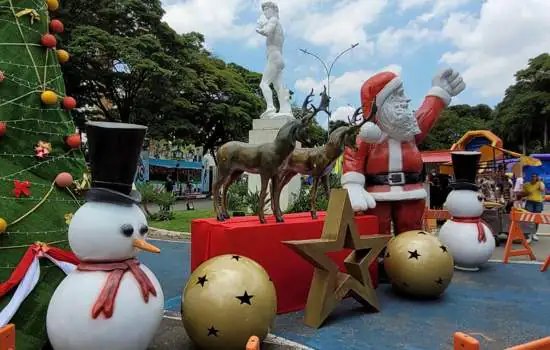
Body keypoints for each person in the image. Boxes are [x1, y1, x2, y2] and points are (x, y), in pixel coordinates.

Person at [341, 68, 466, 237]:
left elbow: (425, 116)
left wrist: (439, 93)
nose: (405, 100)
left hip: (411, 192)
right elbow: (353, 155)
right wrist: (353, 183)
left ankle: (409, 262)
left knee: (411, 232)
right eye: (398, 95)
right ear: (380, 104)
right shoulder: (367, 135)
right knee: (377, 233)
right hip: (378, 196)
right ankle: (377, 259)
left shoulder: (409, 131)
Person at [256, 1, 291, 117]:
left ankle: (270, 107)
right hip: (279, 58)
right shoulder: (279, 25)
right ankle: (286, 110)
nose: (265, 12)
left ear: (274, 10)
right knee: (278, 87)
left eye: (267, 9)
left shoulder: (273, 20)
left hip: (274, 57)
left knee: (264, 83)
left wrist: (259, 28)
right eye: (264, 10)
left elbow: (267, 31)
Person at [523, 173, 546, 242]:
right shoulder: (527, 184)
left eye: (535, 177)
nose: (533, 178)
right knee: (528, 219)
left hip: (538, 203)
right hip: (529, 202)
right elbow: (524, 193)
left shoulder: (539, 183)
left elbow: (542, 189)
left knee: (536, 219)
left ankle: (534, 234)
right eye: (532, 177)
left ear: (537, 178)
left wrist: (540, 181)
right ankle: (528, 235)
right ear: (530, 177)